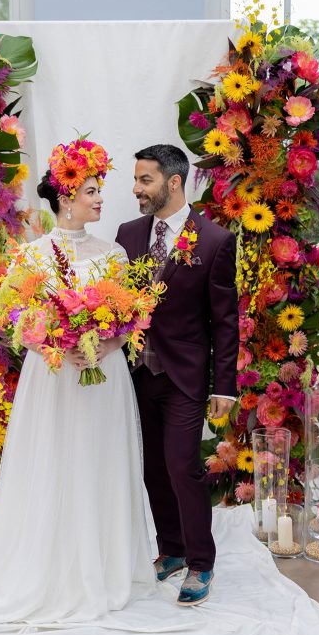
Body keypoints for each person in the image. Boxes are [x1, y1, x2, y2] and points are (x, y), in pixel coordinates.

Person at [0, 138, 157, 629]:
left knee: (99, 460)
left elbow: (132, 320)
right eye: (92, 190)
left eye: (99, 190)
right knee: (54, 459)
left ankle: (104, 565)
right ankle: (51, 570)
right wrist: (53, 339)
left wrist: (106, 344)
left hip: (102, 377)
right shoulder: (31, 257)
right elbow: (17, 321)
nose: (100, 199)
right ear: (67, 196)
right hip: (53, 378)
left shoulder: (114, 253)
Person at [116, 144, 239, 606]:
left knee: (182, 467)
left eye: (144, 180)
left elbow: (224, 321)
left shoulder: (215, 241)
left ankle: (201, 563)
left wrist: (223, 385)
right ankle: (171, 549)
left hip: (186, 376)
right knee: (152, 469)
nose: (135, 189)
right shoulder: (127, 234)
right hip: (136, 374)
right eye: (135, 179)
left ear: (172, 182)